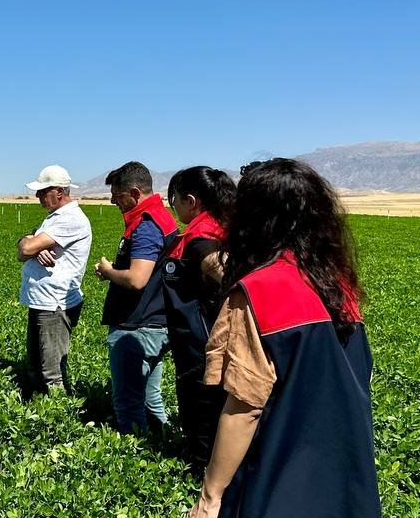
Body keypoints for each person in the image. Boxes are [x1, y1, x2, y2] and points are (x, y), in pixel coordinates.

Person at [187, 158, 379, 518]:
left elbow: (244, 409)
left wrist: (210, 496)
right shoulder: (339, 287)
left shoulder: (257, 292)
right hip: (348, 475)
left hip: (281, 478)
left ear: (251, 218)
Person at [93, 161, 178, 433]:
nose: (113, 201)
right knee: (151, 399)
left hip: (138, 326)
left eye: (117, 196)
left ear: (134, 193)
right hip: (155, 322)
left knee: (128, 404)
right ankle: (163, 447)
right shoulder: (161, 217)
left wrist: (109, 271)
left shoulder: (146, 225)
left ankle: (135, 456)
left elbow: (137, 278)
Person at [160, 166, 235, 467]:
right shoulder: (218, 230)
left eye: (174, 198)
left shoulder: (202, 241)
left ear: (191, 201)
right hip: (200, 342)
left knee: (203, 419)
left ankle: (203, 484)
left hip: (200, 347)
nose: (173, 205)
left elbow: (231, 280)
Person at [16, 165, 91, 395]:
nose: (37, 195)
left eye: (42, 191)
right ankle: (41, 414)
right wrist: (31, 243)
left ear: (59, 192)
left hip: (55, 304)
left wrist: (31, 244)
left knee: (51, 372)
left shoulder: (70, 219)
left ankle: (58, 419)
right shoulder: (54, 217)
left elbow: (26, 248)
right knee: (35, 366)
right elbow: (24, 249)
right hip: (43, 301)